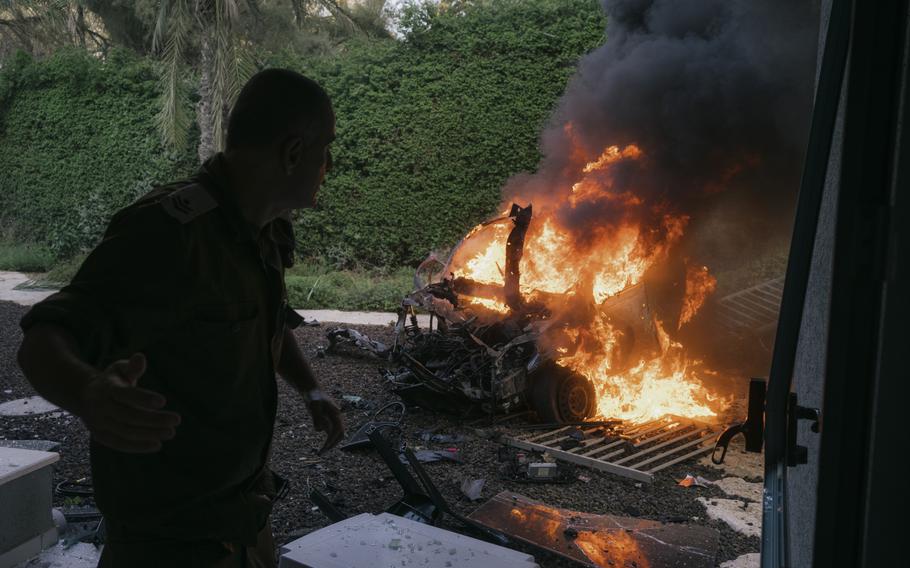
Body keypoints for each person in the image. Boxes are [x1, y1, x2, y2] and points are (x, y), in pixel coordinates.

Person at [16, 68, 344, 568]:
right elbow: (44, 336)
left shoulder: (267, 230)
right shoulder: (167, 235)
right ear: (294, 152)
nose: (329, 166)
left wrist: (312, 390)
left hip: (245, 523)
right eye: (327, 151)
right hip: (168, 543)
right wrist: (89, 394)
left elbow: (267, 321)